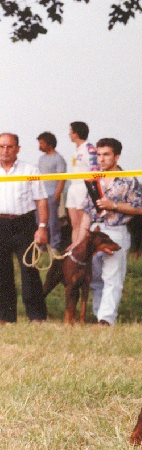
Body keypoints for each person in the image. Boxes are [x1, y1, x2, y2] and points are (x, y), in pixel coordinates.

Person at [68, 137, 142, 326]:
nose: (101, 159)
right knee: (93, 277)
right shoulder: (94, 180)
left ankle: (106, 319)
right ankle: (97, 314)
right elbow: (87, 211)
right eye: (99, 155)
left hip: (115, 231)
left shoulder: (128, 180)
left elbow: (140, 208)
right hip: (94, 232)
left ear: (116, 156)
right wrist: (78, 240)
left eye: (106, 155)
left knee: (112, 277)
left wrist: (115, 205)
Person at [0, 132, 49, 323]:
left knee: (29, 271)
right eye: (2, 146)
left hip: (24, 224)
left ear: (17, 149)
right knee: (2, 272)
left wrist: (42, 227)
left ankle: (36, 317)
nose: (5, 151)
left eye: (10, 146)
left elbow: (41, 201)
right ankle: (5, 317)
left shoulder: (30, 170)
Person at [65, 121, 99, 243]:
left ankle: (83, 252)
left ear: (76, 133)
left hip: (84, 188)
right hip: (73, 187)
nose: (69, 134)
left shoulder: (89, 149)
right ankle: (74, 252)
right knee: (75, 224)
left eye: (70, 131)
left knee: (83, 224)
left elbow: (95, 171)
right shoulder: (76, 150)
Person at [37, 131, 67, 248]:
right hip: (41, 196)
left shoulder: (58, 159)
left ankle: (55, 246)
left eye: (42, 143)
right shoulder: (41, 159)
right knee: (41, 221)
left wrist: (56, 195)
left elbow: (62, 178)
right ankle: (42, 246)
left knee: (53, 222)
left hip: (52, 194)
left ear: (49, 144)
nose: (40, 146)